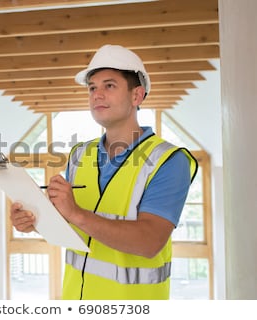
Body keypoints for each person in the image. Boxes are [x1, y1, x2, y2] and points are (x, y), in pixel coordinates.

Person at [10, 44, 198, 300]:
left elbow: (149, 241)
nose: (97, 94)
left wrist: (75, 212)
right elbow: (69, 222)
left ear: (137, 96)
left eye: (109, 85)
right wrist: (36, 220)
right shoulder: (79, 155)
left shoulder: (168, 161)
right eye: (92, 88)